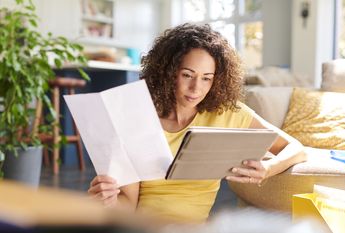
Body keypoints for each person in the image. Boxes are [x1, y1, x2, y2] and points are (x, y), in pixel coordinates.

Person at [88, 23, 306, 223]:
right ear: (168, 72)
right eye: (187, 75)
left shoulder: (228, 113)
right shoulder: (137, 117)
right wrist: (109, 200)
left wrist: (268, 168)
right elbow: (128, 205)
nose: (196, 89)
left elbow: (296, 148)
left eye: (206, 78)